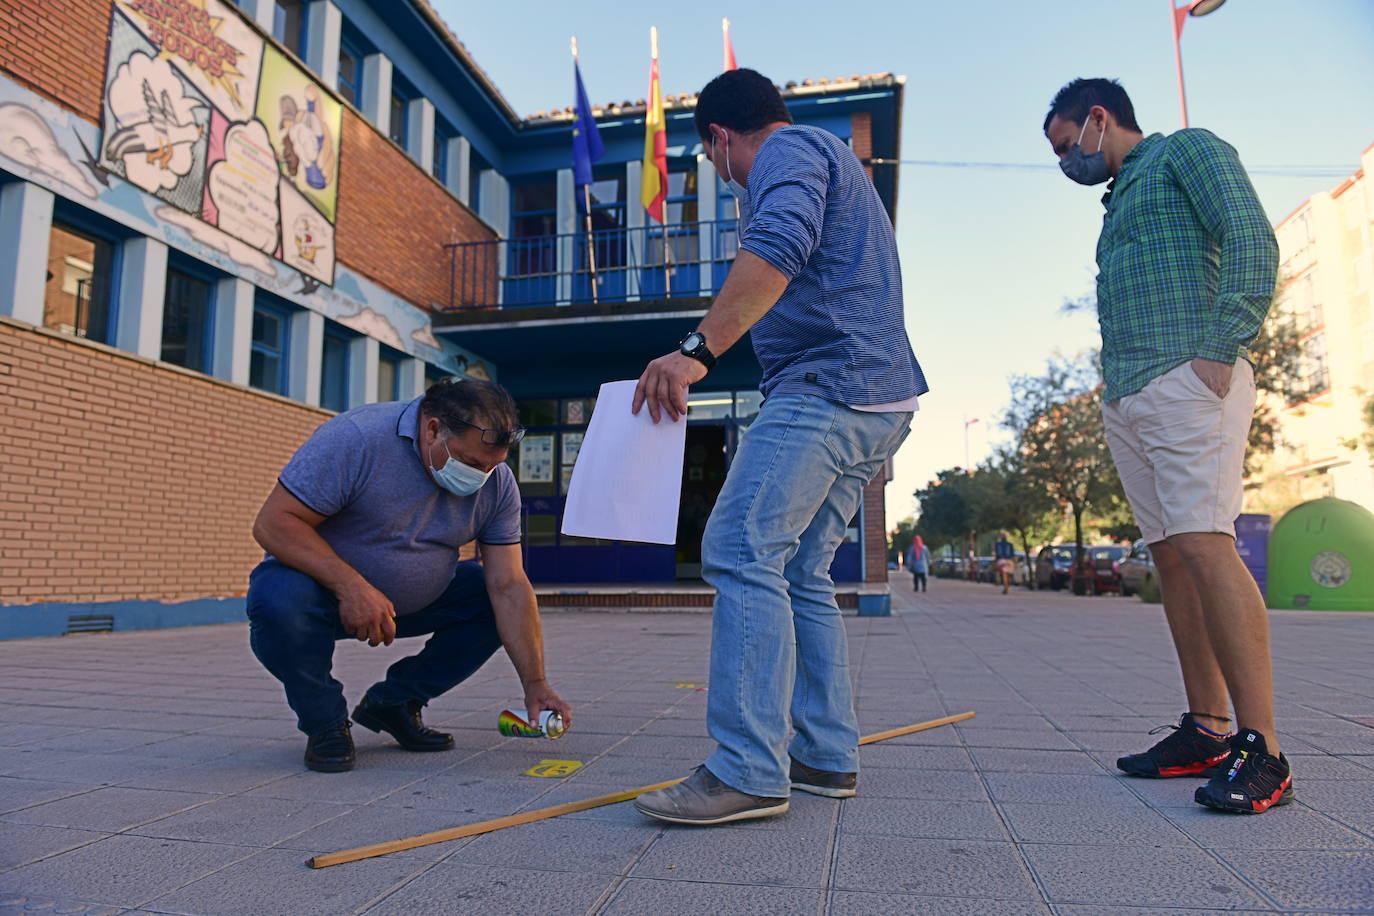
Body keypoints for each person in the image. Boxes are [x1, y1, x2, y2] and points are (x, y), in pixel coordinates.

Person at [629, 68, 925, 826]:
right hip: (878, 396)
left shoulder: (791, 155)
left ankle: (747, 769)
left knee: (736, 545)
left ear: (720, 140)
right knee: (799, 569)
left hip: (829, 388)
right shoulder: (827, 156)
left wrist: (697, 350)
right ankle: (825, 756)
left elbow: (777, 247)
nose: (721, 176)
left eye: (712, 161)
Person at [1044, 78, 1289, 813]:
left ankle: (1266, 750)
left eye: (1066, 146)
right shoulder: (1115, 201)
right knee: (1172, 554)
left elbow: (1251, 233)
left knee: (1205, 541)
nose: (1066, 162)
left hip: (1190, 373)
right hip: (1131, 389)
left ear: (1098, 119)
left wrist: (1221, 346)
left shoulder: (1187, 149)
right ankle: (1208, 730)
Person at [247, 378, 571, 773]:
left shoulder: (497, 485)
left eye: (493, 466)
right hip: (321, 593)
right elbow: (274, 524)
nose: (482, 476)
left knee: (488, 599)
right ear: (433, 428)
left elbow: (509, 584)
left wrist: (535, 683)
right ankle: (325, 723)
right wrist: (352, 586)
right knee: (278, 602)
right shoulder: (357, 440)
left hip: (416, 602)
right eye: (471, 463)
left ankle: (394, 703)